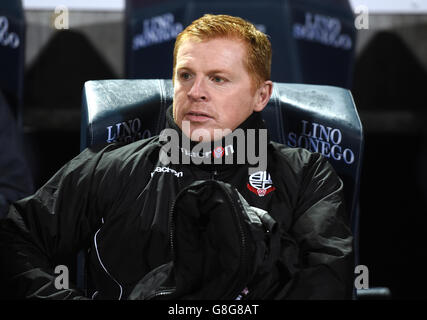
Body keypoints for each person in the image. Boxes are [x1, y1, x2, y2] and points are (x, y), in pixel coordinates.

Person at [0, 14, 353, 300]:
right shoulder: (110, 167)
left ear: (261, 95)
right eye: (185, 76)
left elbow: (327, 280)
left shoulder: (306, 174)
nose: (196, 92)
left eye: (218, 79)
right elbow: (14, 237)